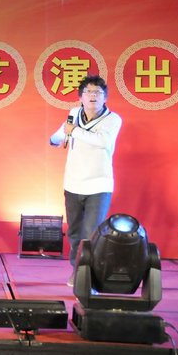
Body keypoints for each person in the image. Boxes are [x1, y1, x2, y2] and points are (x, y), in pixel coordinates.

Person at [49, 75, 122, 286]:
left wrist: (74, 131)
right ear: (80, 97)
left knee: (92, 234)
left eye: (98, 92)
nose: (93, 96)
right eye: (88, 92)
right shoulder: (74, 114)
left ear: (105, 98)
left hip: (99, 186)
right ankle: (77, 270)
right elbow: (64, 131)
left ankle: (89, 276)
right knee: (74, 233)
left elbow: (103, 141)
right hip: (73, 184)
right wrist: (55, 139)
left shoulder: (113, 119)